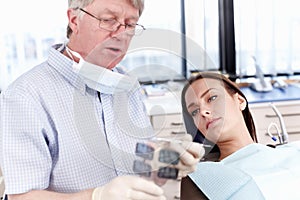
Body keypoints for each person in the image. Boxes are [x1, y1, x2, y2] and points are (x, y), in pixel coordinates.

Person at [0, 0, 203, 199]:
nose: (121, 33)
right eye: (108, 20)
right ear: (74, 20)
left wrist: (166, 160)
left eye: (130, 24)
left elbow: (141, 162)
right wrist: (96, 196)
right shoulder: (25, 97)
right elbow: (23, 197)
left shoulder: (127, 85)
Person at [180, 72, 300, 199]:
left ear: (240, 101)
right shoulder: (201, 179)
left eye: (212, 98)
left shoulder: (293, 152)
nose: (203, 112)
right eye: (195, 111)